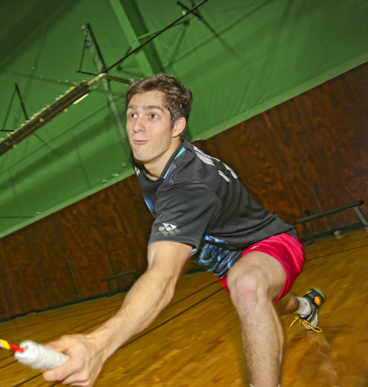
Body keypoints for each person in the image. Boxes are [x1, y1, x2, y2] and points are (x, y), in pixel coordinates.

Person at [43, 74, 325, 387]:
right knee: (265, 301)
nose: (137, 126)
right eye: (132, 114)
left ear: (177, 127)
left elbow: (162, 277)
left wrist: (98, 344)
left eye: (152, 116)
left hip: (269, 243)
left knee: (248, 287)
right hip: (227, 263)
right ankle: (305, 305)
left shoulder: (188, 186)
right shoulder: (148, 154)